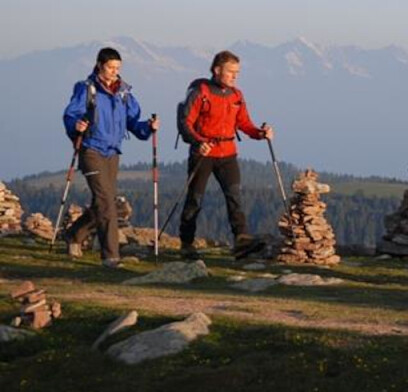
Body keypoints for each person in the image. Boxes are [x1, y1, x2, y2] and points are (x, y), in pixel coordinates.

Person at [62, 47, 158, 268]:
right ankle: (110, 257)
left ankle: (74, 235)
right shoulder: (86, 89)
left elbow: (134, 123)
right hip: (90, 149)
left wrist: (148, 127)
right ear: (99, 65)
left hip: (113, 153)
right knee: (106, 202)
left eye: (118, 68)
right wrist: (76, 126)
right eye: (110, 67)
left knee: (101, 202)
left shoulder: (124, 93)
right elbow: (71, 114)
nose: (114, 72)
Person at [177, 50, 273, 259]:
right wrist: (198, 142)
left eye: (237, 72)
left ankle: (241, 240)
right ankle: (186, 243)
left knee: (234, 196)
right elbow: (185, 122)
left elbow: (244, 123)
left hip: (228, 153)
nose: (234, 76)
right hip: (204, 152)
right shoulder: (201, 92)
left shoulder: (236, 95)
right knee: (195, 199)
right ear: (217, 70)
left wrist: (260, 133)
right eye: (231, 72)